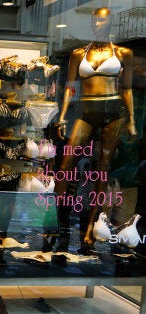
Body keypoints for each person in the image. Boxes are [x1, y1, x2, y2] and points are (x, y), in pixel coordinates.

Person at [54, 7, 136, 247]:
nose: (99, 25)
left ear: (111, 23)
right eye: (96, 21)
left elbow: (127, 89)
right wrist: (63, 115)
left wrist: (131, 120)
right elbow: (70, 86)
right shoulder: (79, 54)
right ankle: (54, 222)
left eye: (104, 21)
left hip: (113, 110)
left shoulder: (123, 53)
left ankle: (91, 226)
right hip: (87, 110)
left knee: (103, 166)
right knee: (67, 160)